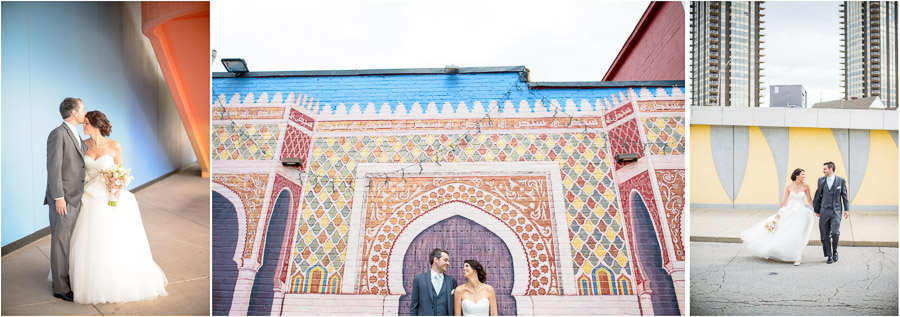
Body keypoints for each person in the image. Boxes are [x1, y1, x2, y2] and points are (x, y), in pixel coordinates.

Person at [67, 110, 168, 304]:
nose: (83, 126)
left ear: (96, 125)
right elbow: (78, 172)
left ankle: (116, 277)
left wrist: (116, 184)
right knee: (90, 239)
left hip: (110, 194)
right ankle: (90, 279)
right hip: (89, 195)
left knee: (114, 238)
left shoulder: (114, 146)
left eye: (86, 123)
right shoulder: (82, 146)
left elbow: (121, 171)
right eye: (84, 123)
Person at [44, 97, 87, 302]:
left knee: (70, 240)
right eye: (83, 109)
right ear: (74, 113)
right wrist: (59, 197)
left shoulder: (76, 134)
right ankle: (60, 287)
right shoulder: (58, 134)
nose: (85, 112)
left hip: (77, 197)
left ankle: (68, 277)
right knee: (60, 241)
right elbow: (54, 168)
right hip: (64, 198)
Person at [740, 168, 815, 266]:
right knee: (785, 232)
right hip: (789, 211)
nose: (804, 176)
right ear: (797, 175)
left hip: (801, 213)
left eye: (804, 175)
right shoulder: (789, 186)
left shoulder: (806, 185)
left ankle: (797, 257)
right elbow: (784, 201)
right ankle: (784, 251)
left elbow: (809, 199)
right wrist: (779, 213)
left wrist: (816, 210)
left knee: (798, 234)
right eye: (802, 174)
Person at [812, 161, 850, 264]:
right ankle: (829, 255)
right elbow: (818, 195)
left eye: (825, 169)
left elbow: (844, 196)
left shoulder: (841, 181)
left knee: (835, 232)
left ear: (831, 169)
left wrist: (846, 209)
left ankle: (835, 251)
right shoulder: (821, 180)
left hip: (836, 210)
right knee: (824, 235)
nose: (823, 170)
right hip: (824, 210)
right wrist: (817, 209)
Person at [410, 249, 457, 316]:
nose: (448, 263)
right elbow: (414, 307)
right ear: (436, 260)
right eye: (445, 260)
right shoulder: (419, 280)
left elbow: (455, 307)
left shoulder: (452, 281)